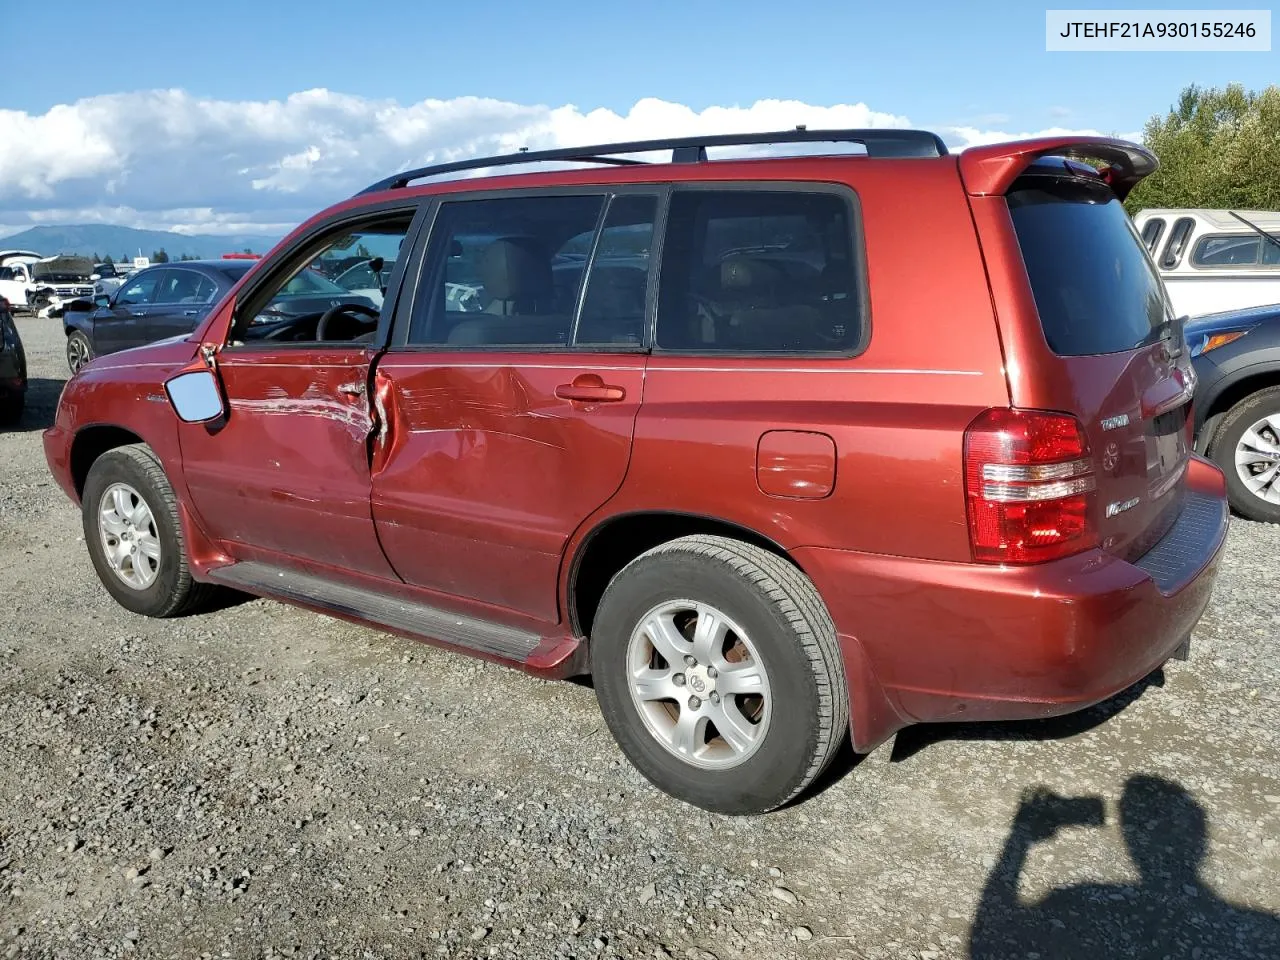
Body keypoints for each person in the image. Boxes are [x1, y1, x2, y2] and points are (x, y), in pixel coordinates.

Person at [970, 775, 1280, 959]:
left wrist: (1019, 842)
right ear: (1202, 839)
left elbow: (988, 936)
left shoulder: (1072, 896)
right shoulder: (1265, 927)